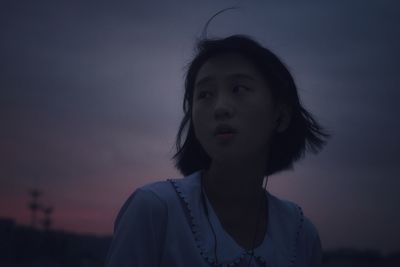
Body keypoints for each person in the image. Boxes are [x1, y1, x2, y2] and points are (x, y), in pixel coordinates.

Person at [105, 35, 329, 267]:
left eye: (239, 89)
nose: (220, 108)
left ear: (280, 115)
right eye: (204, 94)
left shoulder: (299, 235)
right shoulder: (155, 210)